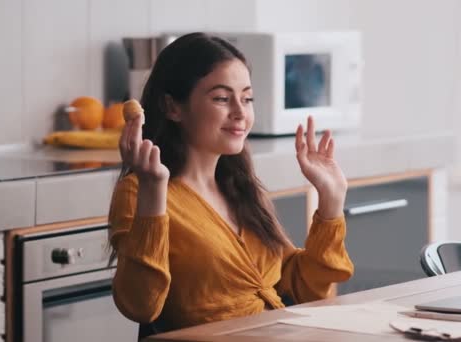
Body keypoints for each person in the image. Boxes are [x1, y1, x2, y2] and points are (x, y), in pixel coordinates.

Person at [108, 32, 354, 333]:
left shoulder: (241, 187)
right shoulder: (139, 191)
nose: (240, 113)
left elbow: (306, 289)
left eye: (247, 98)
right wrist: (152, 190)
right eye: (222, 99)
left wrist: (331, 200)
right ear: (172, 107)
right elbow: (140, 306)